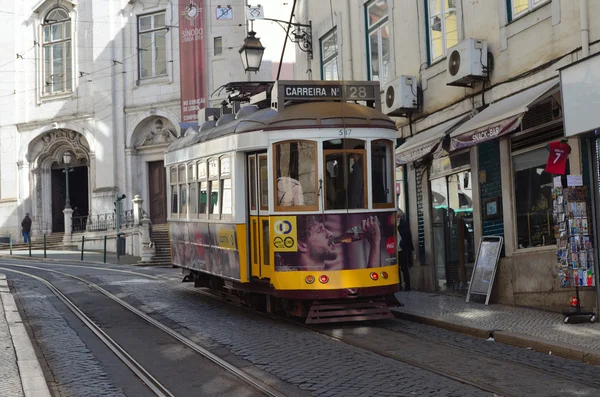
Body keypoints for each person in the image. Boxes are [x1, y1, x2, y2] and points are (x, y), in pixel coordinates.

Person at [397, 209, 413, 291]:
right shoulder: (392, 225)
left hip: (403, 249)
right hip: (394, 250)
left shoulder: (403, 224)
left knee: (404, 268)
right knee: (396, 269)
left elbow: (407, 237)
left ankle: (407, 285)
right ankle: (399, 285)